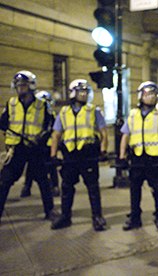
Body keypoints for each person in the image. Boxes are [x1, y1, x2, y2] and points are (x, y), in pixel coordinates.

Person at [50, 79, 108, 231]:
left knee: (93, 188)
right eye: (80, 91)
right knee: (67, 187)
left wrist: (103, 150)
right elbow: (56, 135)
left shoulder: (93, 110)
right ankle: (65, 216)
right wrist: (53, 155)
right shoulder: (63, 112)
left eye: (85, 92)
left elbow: (103, 132)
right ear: (72, 93)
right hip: (69, 155)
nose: (84, 94)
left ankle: (97, 217)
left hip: (88, 155)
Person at [0, 71, 57, 223]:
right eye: (18, 86)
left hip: (35, 149)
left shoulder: (42, 105)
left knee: (43, 181)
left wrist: (42, 138)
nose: (21, 89)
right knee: (4, 180)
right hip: (16, 150)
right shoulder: (11, 104)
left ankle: (50, 211)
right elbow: (3, 122)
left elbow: (50, 125)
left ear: (31, 86)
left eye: (24, 85)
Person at [118, 81, 158, 233]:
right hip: (137, 158)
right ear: (141, 96)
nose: (151, 97)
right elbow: (125, 135)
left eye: (154, 94)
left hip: (156, 159)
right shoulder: (133, 114)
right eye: (147, 94)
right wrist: (122, 156)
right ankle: (135, 218)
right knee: (134, 190)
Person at [20, 91, 60, 198]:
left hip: (47, 145)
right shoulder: (37, 114)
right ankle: (27, 187)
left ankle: (54, 187)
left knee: (49, 167)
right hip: (37, 145)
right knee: (32, 166)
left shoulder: (50, 114)